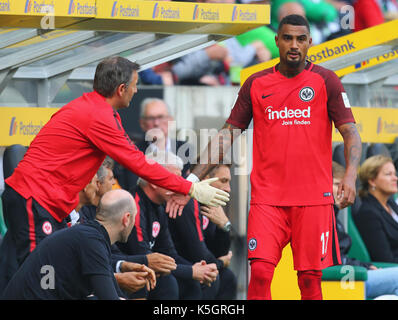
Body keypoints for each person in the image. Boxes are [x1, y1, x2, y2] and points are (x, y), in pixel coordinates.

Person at [167, 14, 362, 300]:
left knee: (309, 281)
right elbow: (227, 134)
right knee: (259, 275)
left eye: (300, 39)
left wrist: (350, 176)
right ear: (277, 41)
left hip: (313, 201)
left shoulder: (326, 81)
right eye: (287, 38)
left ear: (309, 42)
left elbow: (351, 133)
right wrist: (191, 181)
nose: (294, 45)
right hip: (268, 200)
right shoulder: (256, 83)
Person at [1, 56, 230, 272]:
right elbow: (139, 163)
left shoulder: (97, 110)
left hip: (39, 201)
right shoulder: (98, 116)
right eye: (135, 84)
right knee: (40, 276)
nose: (136, 89)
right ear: (121, 89)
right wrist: (189, 187)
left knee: (41, 274)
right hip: (33, 198)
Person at [2, 189, 148, 300]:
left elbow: (114, 294)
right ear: (126, 219)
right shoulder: (92, 242)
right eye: (134, 218)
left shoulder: (92, 237)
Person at [117, 151, 219, 300]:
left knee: (201, 281)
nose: (180, 185)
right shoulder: (133, 205)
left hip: (151, 270)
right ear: (153, 181)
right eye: (174, 179)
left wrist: (198, 269)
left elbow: (169, 253)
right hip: (128, 274)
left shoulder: (159, 206)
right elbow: (144, 257)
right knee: (168, 283)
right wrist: (191, 271)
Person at [169, 164, 237, 300]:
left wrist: (224, 226)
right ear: (206, 179)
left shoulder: (211, 204)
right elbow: (198, 254)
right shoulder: (188, 202)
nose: (228, 189)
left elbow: (219, 252)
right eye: (223, 181)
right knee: (210, 278)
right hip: (181, 267)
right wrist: (220, 263)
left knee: (227, 277)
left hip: (195, 265)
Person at [333, 161, 398, 299]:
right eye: (337, 185)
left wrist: (364, 266)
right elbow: (333, 262)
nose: (342, 190)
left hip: (352, 272)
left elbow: (341, 258)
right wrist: (361, 268)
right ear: (372, 181)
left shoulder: (333, 217)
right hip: (344, 279)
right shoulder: (368, 212)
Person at [114, 98, 193, 192]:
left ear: (170, 120)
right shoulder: (132, 152)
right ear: (142, 123)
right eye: (151, 118)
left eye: (160, 117)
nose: (156, 123)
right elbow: (131, 186)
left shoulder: (184, 149)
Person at [354, 155, 398, 263]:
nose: (395, 178)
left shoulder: (391, 204)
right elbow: (384, 259)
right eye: (388, 174)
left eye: (395, 174)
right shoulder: (368, 214)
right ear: (372, 181)